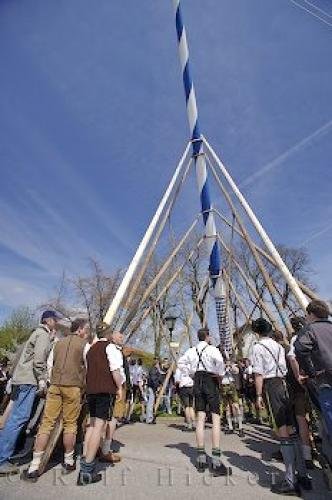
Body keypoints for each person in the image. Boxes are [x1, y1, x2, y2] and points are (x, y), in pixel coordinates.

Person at [22, 318, 89, 481]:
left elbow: (50, 364)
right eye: (86, 330)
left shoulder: (58, 343)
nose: (87, 333)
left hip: (55, 386)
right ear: (79, 329)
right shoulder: (84, 345)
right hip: (73, 387)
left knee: (46, 423)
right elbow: (88, 368)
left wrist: (51, 381)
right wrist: (83, 385)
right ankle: (68, 461)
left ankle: (34, 465)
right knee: (70, 424)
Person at [252, 318, 311, 496]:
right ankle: (303, 476)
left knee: (283, 430)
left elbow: (258, 373)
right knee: (292, 429)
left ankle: (290, 480)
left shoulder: (257, 347)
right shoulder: (278, 346)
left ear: (257, 332)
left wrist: (258, 395)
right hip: (285, 385)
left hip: (272, 385)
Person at [0, 310, 58, 475]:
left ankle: (3, 455)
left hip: (20, 379)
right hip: (28, 380)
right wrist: (41, 378)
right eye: (54, 320)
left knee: (13, 417)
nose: (56, 322)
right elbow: (39, 359)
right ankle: (2, 459)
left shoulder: (36, 334)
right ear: (48, 320)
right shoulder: (42, 335)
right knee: (20, 418)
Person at [177, 328, 231, 476]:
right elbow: (220, 363)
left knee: (200, 418)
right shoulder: (212, 349)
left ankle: (201, 458)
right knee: (215, 418)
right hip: (210, 380)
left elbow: (180, 362)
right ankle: (216, 461)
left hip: (197, 381)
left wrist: (191, 372)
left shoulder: (191, 350)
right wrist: (219, 374)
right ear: (207, 336)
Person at [78, 328, 124, 486]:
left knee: (91, 425)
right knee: (99, 426)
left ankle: (85, 456)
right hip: (105, 390)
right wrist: (119, 387)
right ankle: (87, 470)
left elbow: (87, 369)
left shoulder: (90, 348)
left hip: (91, 390)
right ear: (109, 334)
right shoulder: (110, 348)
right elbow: (115, 370)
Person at [295, 300, 332, 440]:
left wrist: (311, 372)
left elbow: (300, 348)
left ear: (311, 314)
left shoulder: (310, 330)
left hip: (326, 380)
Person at [286, 316, 313, 468]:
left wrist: (298, 376)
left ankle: (307, 455)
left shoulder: (297, 339)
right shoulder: (315, 333)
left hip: (302, 384)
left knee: (301, 418)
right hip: (320, 379)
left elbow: (292, 357)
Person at [221, 360, 244, 437]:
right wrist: (223, 367)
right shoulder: (220, 366)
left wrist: (230, 366)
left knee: (236, 406)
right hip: (223, 386)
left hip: (231, 386)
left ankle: (240, 427)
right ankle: (230, 427)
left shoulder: (234, 366)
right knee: (227, 408)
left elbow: (236, 371)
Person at [174, 364, 195, 431]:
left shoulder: (179, 369)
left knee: (186, 406)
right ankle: (193, 423)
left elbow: (177, 381)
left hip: (184, 387)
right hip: (191, 386)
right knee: (191, 406)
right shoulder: (191, 366)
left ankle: (189, 425)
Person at [146, 359, 163, 424]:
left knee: (151, 403)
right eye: (159, 364)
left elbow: (159, 378)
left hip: (153, 388)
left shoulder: (156, 370)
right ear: (157, 364)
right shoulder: (153, 370)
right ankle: (149, 419)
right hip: (152, 387)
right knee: (150, 403)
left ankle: (151, 418)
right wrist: (157, 386)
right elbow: (153, 379)